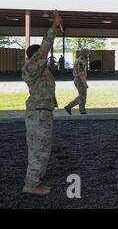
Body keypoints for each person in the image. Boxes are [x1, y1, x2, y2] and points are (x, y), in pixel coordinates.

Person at [21, 10, 62, 195]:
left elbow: (46, 89)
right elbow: (44, 48)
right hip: (38, 114)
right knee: (38, 150)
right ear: (36, 55)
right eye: (41, 54)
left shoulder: (39, 70)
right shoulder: (31, 67)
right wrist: (54, 26)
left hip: (43, 112)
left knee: (42, 149)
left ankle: (35, 181)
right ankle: (31, 183)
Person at [64, 49, 90, 115]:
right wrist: (85, 83)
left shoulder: (81, 60)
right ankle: (82, 111)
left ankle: (70, 106)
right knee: (83, 96)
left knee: (82, 96)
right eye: (87, 53)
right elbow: (81, 73)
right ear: (84, 53)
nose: (88, 55)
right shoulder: (80, 62)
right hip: (79, 79)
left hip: (78, 79)